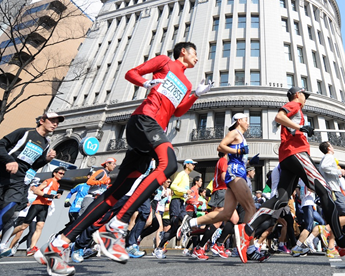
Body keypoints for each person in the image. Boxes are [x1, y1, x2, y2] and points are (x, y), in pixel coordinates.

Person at [35, 42, 213, 276]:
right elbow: (132, 73)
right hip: (143, 121)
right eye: (195, 53)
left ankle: (57, 244)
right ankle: (117, 225)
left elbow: (177, 111)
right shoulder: (164, 62)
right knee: (169, 164)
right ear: (183, 52)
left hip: (154, 130)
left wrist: (195, 95)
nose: (197, 59)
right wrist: (146, 82)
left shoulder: (187, 82)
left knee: (115, 193)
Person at [235, 86, 345, 263]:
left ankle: (246, 230)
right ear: (295, 95)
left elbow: (287, 123)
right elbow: (279, 117)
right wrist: (300, 126)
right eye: (303, 94)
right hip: (296, 153)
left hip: (287, 157)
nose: (305, 97)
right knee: (325, 191)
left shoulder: (297, 111)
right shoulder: (294, 105)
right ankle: (341, 243)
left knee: (280, 200)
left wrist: (302, 129)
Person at [179, 113, 266, 262]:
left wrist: (250, 161)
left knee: (226, 214)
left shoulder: (241, 136)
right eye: (246, 120)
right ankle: (250, 248)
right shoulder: (234, 132)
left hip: (238, 171)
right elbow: (221, 146)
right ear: (239, 121)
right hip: (235, 174)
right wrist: (239, 151)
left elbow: (237, 157)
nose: (248, 123)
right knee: (251, 208)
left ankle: (191, 223)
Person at [0, 112, 61, 250]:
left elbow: (33, 165)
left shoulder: (46, 144)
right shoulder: (25, 132)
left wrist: (46, 160)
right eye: (52, 120)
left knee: (6, 216)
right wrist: (10, 160)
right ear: (42, 120)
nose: (55, 124)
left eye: (57, 122)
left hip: (18, 180)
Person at [10, 167, 65, 255]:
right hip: (37, 204)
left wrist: (57, 195)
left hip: (45, 206)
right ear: (54, 173)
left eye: (63, 174)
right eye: (60, 173)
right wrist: (49, 196)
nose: (62, 175)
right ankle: (5, 237)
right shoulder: (48, 181)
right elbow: (37, 191)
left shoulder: (57, 185)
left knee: (40, 226)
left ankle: (32, 248)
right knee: (23, 226)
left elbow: (51, 194)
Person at [318, 141, 345, 259]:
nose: (332, 146)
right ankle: (326, 229)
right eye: (331, 145)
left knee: (338, 220)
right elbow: (324, 167)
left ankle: (331, 248)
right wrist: (339, 171)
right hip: (334, 191)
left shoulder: (326, 157)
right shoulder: (329, 156)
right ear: (328, 148)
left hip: (331, 190)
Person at [154, 159, 196, 258]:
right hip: (176, 202)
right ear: (187, 165)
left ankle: (160, 247)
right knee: (177, 224)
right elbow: (173, 186)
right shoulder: (181, 174)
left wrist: (186, 195)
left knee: (175, 228)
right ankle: (159, 248)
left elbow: (180, 191)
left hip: (181, 202)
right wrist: (185, 191)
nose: (194, 166)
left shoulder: (186, 176)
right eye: (192, 164)